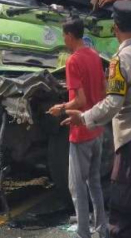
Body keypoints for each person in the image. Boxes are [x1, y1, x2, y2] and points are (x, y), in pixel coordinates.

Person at [61, 0, 131, 238]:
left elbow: (113, 103)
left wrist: (84, 118)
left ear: (115, 27)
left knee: (120, 208)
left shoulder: (120, 60)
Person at [48, 17, 108, 238]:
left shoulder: (73, 62)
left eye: (63, 35)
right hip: (97, 128)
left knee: (76, 187)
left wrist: (61, 108)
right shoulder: (94, 54)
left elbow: (80, 100)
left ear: (70, 36)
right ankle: (102, 229)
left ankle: (84, 233)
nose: (63, 38)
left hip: (81, 132)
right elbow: (103, 92)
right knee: (94, 182)